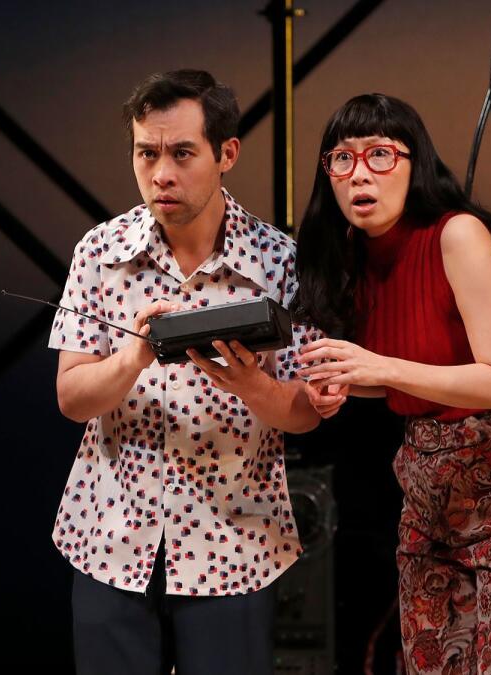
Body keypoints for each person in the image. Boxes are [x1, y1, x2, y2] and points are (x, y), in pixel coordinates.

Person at [48, 69, 324, 675]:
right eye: (146, 153)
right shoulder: (101, 250)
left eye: (181, 153)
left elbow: (308, 412)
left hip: (234, 539)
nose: (162, 174)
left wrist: (251, 384)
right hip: (111, 537)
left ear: (227, 153)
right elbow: (71, 396)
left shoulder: (280, 260)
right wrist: (134, 358)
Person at [293, 93, 491, 674]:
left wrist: (378, 368)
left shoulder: (457, 235)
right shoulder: (350, 254)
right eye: (342, 160)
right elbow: (406, 379)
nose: (360, 175)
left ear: (414, 162)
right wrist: (346, 382)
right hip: (430, 504)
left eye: (380, 155)